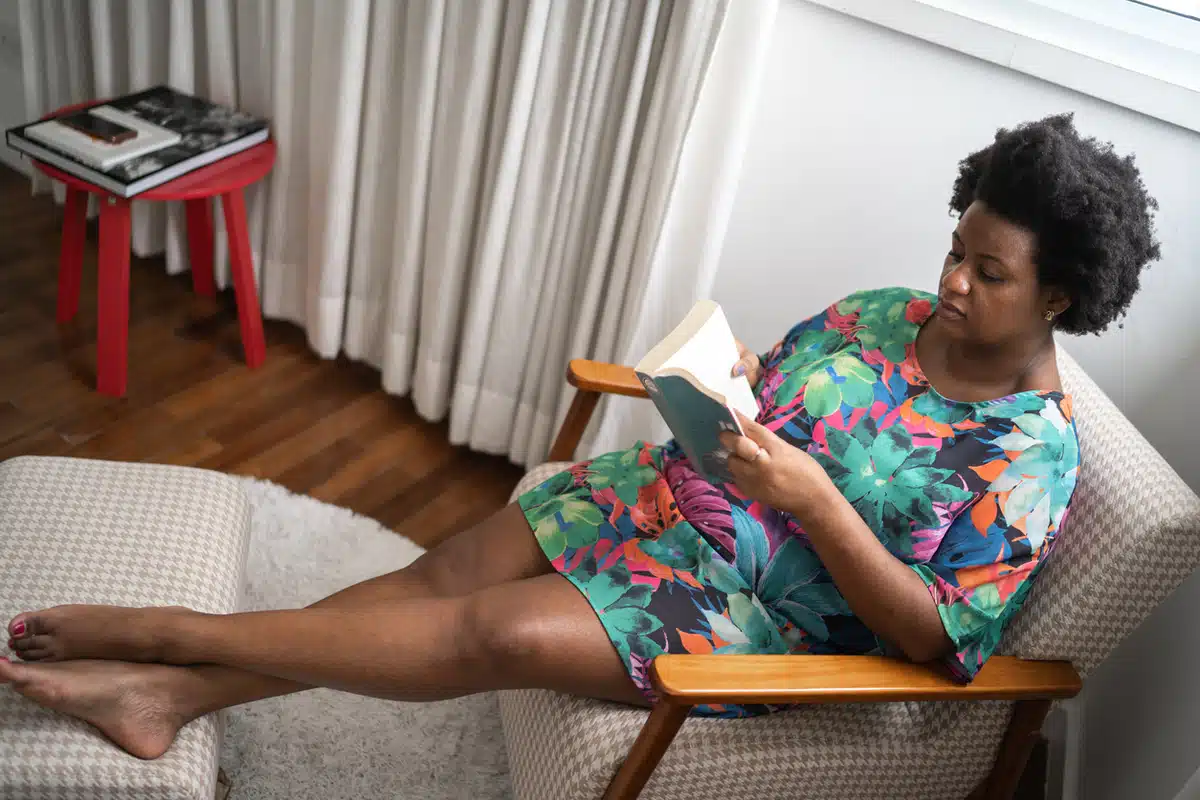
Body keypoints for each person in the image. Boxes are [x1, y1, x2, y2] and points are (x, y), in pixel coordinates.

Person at [1, 113, 1160, 757]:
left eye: (989, 271)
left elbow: (941, 638)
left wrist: (811, 498)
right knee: (433, 572)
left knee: (488, 628)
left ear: (1059, 296)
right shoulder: (885, 313)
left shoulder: (1029, 457)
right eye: (956, 247)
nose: (952, 279)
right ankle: (171, 696)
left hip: (758, 612)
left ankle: (168, 634)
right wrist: (728, 383)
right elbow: (780, 383)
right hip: (674, 496)